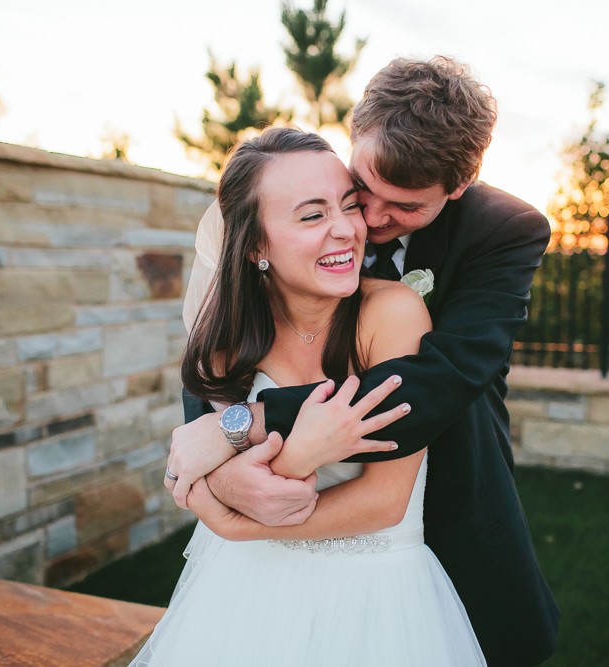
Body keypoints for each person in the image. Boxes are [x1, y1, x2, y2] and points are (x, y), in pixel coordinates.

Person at [168, 56, 560, 666]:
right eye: (363, 191)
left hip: (441, 498)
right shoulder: (291, 203)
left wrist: (247, 425)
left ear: (457, 186)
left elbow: (438, 382)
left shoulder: (502, 231)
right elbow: (220, 354)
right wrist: (217, 468)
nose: (369, 222)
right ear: (356, 135)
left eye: (404, 207)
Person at [134, 127, 485, 665]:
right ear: (256, 245)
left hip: (378, 596)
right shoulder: (229, 339)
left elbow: (385, 501)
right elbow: (200, 471)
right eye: (312, 215)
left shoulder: (390, 314)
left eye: (349, 206)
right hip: (246, 593)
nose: (347, 229)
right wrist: (260, 468)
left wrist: (237, 522)